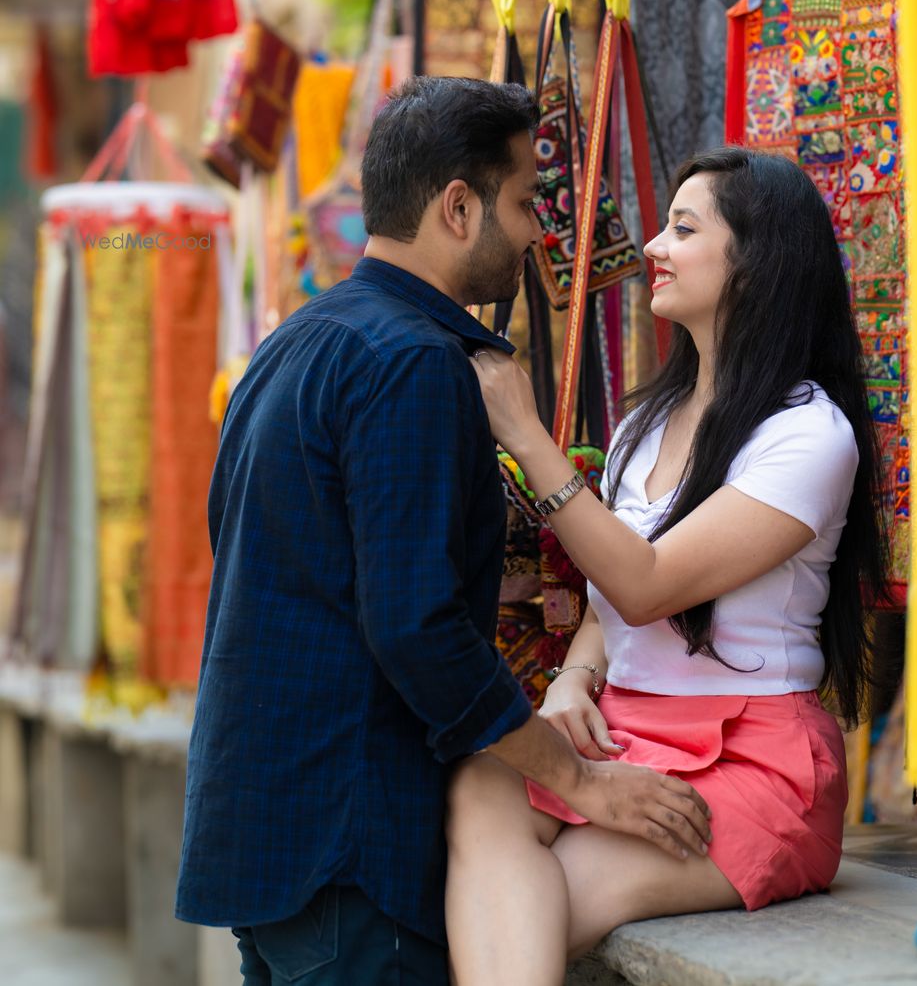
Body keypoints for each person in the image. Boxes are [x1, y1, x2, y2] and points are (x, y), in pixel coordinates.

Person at [175, 77, 711, 986]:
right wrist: (577, 781)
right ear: (459, 209)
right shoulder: (415, 363)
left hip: (263, 833)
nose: (540, 230)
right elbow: (418, 630)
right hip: (354, 853)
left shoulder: (294, 343)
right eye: (523, 202)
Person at [449, 146, 890, 986]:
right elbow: (608, 614)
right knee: (480, 789)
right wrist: (575, 681)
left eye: (682, 229)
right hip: (622, 735)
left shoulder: (808, 433)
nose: (652, 245)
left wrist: (526, 435)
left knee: (522, 907)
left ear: (757, 266)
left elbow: (645, 585)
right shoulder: (645, 423)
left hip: (753, 761)